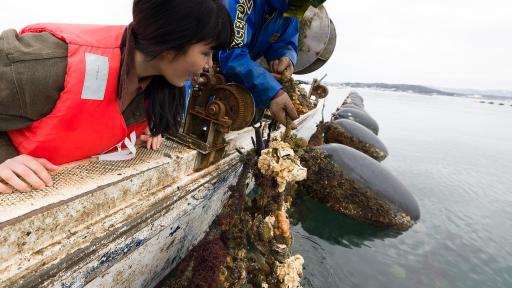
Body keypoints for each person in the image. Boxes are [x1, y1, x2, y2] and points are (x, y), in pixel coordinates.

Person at [0, 0, 233, 193]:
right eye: (206, 52)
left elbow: (90, 120)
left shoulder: (154, 89)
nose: (209, 65)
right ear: (172, 41)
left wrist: (127, 138)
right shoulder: (48, 63)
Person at [217, 0, 325, 127]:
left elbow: (285, 41)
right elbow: (232, 54)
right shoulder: (240, 2)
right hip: (200, 71)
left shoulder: (289, 8)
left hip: (236, 84)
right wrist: (272, 92)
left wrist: (286, 57)